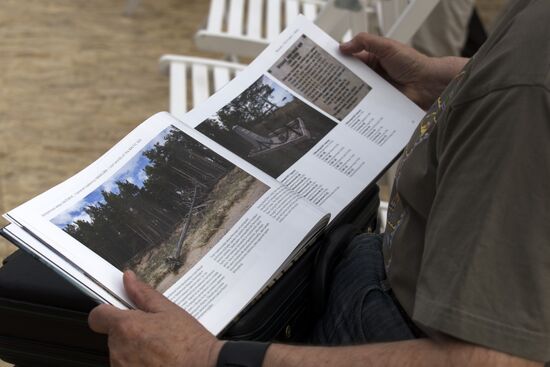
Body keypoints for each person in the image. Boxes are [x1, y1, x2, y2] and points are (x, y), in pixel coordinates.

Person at [87, 0, 550, 365]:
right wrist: (451, 82)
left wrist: (208, 357)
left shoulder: (525, 92)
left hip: (391, 330)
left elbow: (495, 358)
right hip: (385, 277)